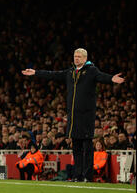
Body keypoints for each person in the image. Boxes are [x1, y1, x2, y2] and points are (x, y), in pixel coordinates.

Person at [22, 48, 125, 182]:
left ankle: (87, 176)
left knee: (87, 147)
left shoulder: (91, 70)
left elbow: (102, 76)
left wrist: (111, 78)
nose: (76, 58)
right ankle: (77, 175)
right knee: (76, 147)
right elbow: (53, 74)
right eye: (75, 56)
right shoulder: (70, 72)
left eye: (79, 57)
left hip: (86, 115)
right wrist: (36, 72)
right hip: (73, 115)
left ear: (84, 58)